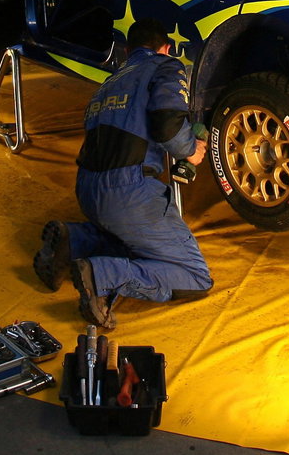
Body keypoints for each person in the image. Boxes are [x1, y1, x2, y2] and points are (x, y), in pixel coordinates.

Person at [32, 19, 211, 329]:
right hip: (130, 193)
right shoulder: (166, 66)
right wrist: (190, 150)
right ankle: (102, 275)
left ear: (128, 51)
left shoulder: (111, 81)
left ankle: (75, 241)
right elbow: (167, 124)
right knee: (194, 275)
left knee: (136, 243)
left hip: (88, 189)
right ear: (166, 48)